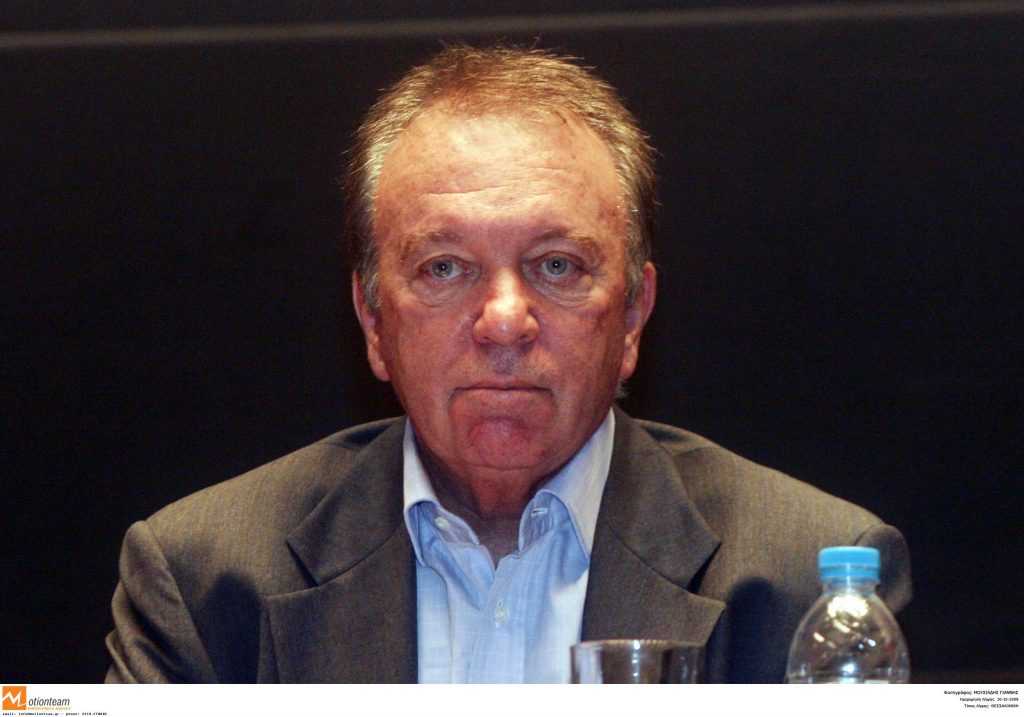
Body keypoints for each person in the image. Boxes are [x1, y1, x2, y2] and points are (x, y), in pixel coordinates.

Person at [105, 45, 911, 683]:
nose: (502, 322)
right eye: (444, 267)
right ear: (374, 321)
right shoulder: (204, 580)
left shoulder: (810, 582)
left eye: (557, 265)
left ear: (633, 313)